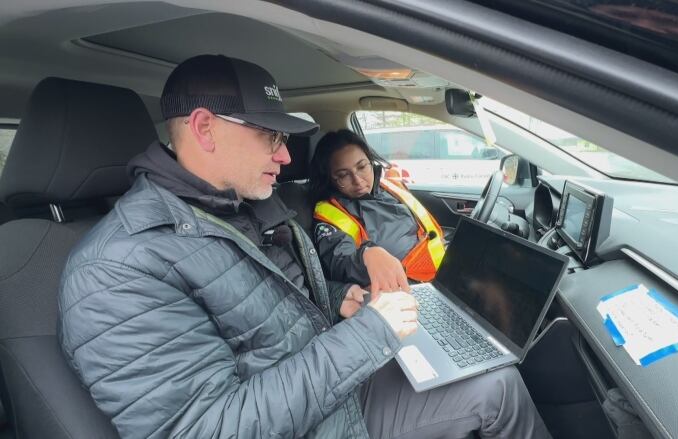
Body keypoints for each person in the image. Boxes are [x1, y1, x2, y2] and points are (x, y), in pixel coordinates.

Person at [57, 54, 551, 439]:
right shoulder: (116, 268)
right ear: (205, 128)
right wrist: (371, 334)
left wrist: (340, 301)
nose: (286, 155)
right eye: (270, 136)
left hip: (328, 387)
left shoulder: (239, 206)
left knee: (498, 373)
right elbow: (207, 429)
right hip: (316, 421)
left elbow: (275, 313)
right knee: (497, 391)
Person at [310, 129, 446, 296]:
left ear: (370, 161)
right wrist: (366, 255)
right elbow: (340, 261)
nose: (358, 180)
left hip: (444, 277)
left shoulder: (391, 187)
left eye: (361, 167)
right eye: (343, 175)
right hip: (405, 292)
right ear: (330, 178)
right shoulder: (330, 212)